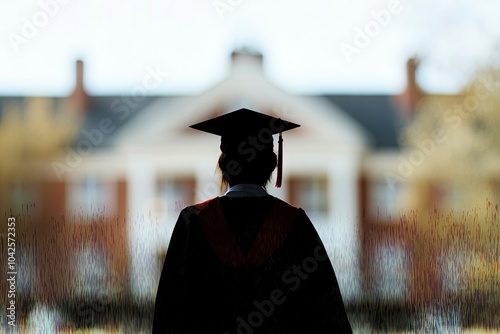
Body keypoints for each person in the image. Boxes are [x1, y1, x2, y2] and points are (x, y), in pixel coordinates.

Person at [152, 108, 352, 333]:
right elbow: (326, 311)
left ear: (224, 166)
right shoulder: (295, 224)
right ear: (272, 165)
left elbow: (169, 312)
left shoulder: (193, 223)